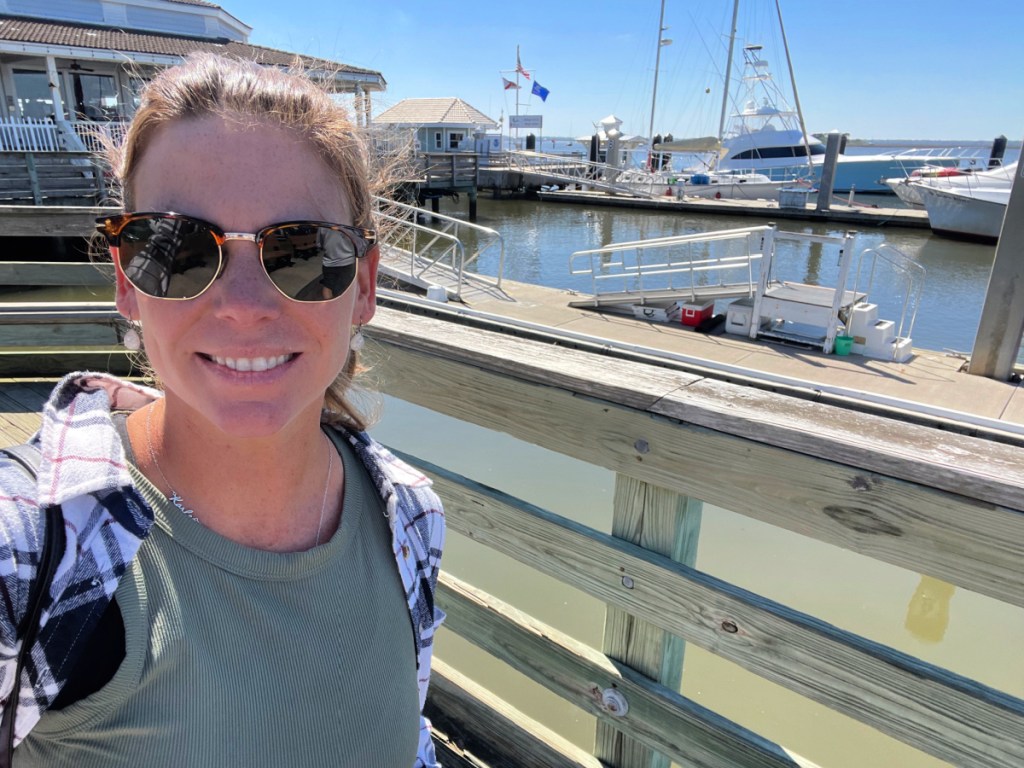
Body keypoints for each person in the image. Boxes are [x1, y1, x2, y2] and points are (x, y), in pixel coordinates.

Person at [0, 53, 445, 767]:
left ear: (363, 286)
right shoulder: (31, 551)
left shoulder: (410, 520)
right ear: (127, 282)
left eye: (302, 252)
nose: (242, 309)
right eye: (176, 251)